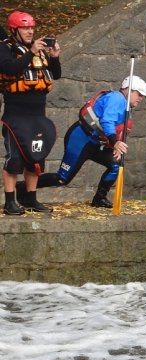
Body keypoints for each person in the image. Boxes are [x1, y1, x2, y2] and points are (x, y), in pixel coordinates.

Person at [17, 75, 146, 208]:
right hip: (80, 138)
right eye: (139, 94)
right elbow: (107, 122)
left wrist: (115, 145)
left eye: (143, 96)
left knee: (116, 165)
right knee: (62, 179)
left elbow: (118, 128)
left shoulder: (127, 107)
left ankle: (99, 199)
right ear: (128, 89)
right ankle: (23, 186)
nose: (141, 98)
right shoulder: (117, 99)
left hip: (96, 143)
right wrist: (115, 143)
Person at [0, 11, 61, 215]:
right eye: (26, 28)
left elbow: (55, 75)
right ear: (14, 30)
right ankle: (9, 202)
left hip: (38, 115)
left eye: (32, 28)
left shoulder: (40, 50)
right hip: (15, 115)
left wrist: (54, 58)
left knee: (35, 159)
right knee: (14, 160)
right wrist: (31, 52)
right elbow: (9, 69)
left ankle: (31, 199)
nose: (30, 31)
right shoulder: (5, 48)